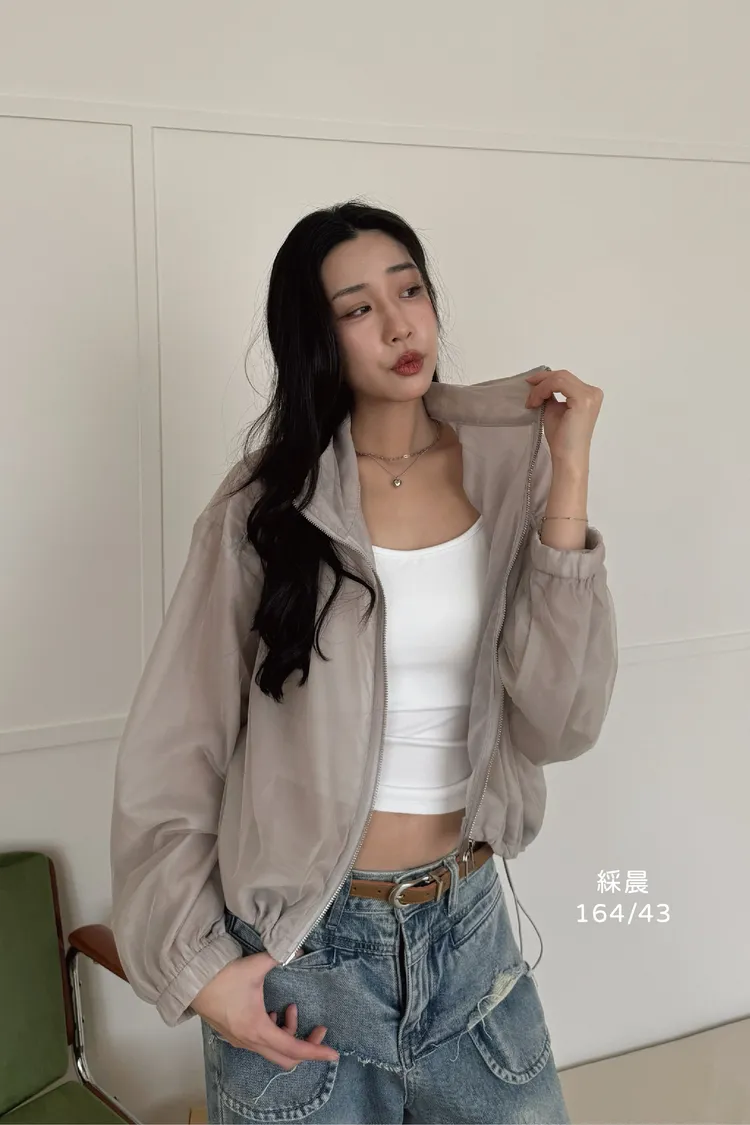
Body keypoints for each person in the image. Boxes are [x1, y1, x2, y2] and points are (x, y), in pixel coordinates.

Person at [110, 200, 618, 1124]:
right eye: (357, 308)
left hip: (469, 935)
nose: (397, 324)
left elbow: (561, 721)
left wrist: (570, 471)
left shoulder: (511, 478)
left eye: (409, 290)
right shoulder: (262, 513)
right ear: (317, 338)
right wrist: (198, 967)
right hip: (304, 958)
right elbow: (175, 750)